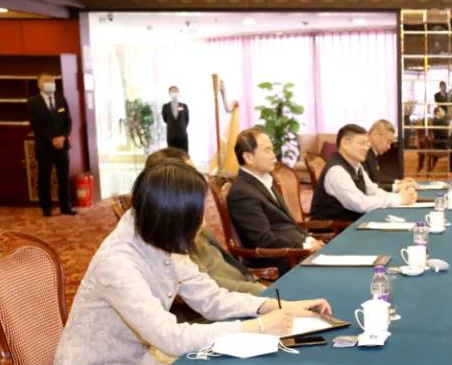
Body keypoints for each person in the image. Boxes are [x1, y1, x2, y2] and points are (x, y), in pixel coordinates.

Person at [33, 157, 332, 365]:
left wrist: (275, 306)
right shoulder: (118, 262)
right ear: (172, 217)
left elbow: (212, 299)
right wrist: (259, 327)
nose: (202, 225)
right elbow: (170, 337)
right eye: (196, 215)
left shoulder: (155, 234)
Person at [144, 147, 264, 295]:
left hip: (245, 287)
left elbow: (226, 262)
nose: (197, 178)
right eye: (190, 173)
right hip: (228, 299)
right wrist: (257, 291)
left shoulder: (195, 217)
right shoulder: (166, 237)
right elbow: (203, 286)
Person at [227, 127, 323, 273]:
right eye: (267, 150)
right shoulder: (242, 192)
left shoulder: (265, 180)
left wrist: (309, 239)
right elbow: (264, 240)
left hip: (297, 252)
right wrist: (304, 246)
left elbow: (287, 222)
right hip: (282, 260)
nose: (273, 155)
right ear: (248, 157)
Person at [310, 124, 418, 222]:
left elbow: (372, 191)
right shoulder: (336, 171)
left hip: (353, 223)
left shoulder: (357, 166)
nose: (367, 148)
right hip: (336, 230)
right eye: (362, 143)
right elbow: (360, 204)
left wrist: (400, 196)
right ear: (345, 144)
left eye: (367, 144)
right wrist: (399, 199)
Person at [27, 72, 74, 217]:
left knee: (63, 177)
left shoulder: (61, 99)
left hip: (62, 146)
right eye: (47, 80)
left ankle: (65, 206)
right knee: (44, 178)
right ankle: (46, 208)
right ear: (39, 84)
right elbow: (36, 125)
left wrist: (63, 137)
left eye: (52, 80)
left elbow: (68, 121)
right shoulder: (33, 102)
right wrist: (52, 139)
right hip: (44, 147)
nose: (51, 83)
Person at [365, 118, 398, 187]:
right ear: (375, 135)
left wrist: (397, 182)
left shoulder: (371, 154)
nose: (389, 147)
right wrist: (397, 187)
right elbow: (369, 187)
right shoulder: (364, 154)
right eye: (388, 141)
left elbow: (376, 180)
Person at [161, 85, 189, 152]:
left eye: (176, 91)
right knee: (172, 155)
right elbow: (165, 119)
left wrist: (181, 126)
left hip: (182, 135)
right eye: (173, 91)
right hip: (171, 135)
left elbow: (187, 119)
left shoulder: (184, 106)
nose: (175, 93)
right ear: (169, 93)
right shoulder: (165, 106)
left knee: (184, 154)